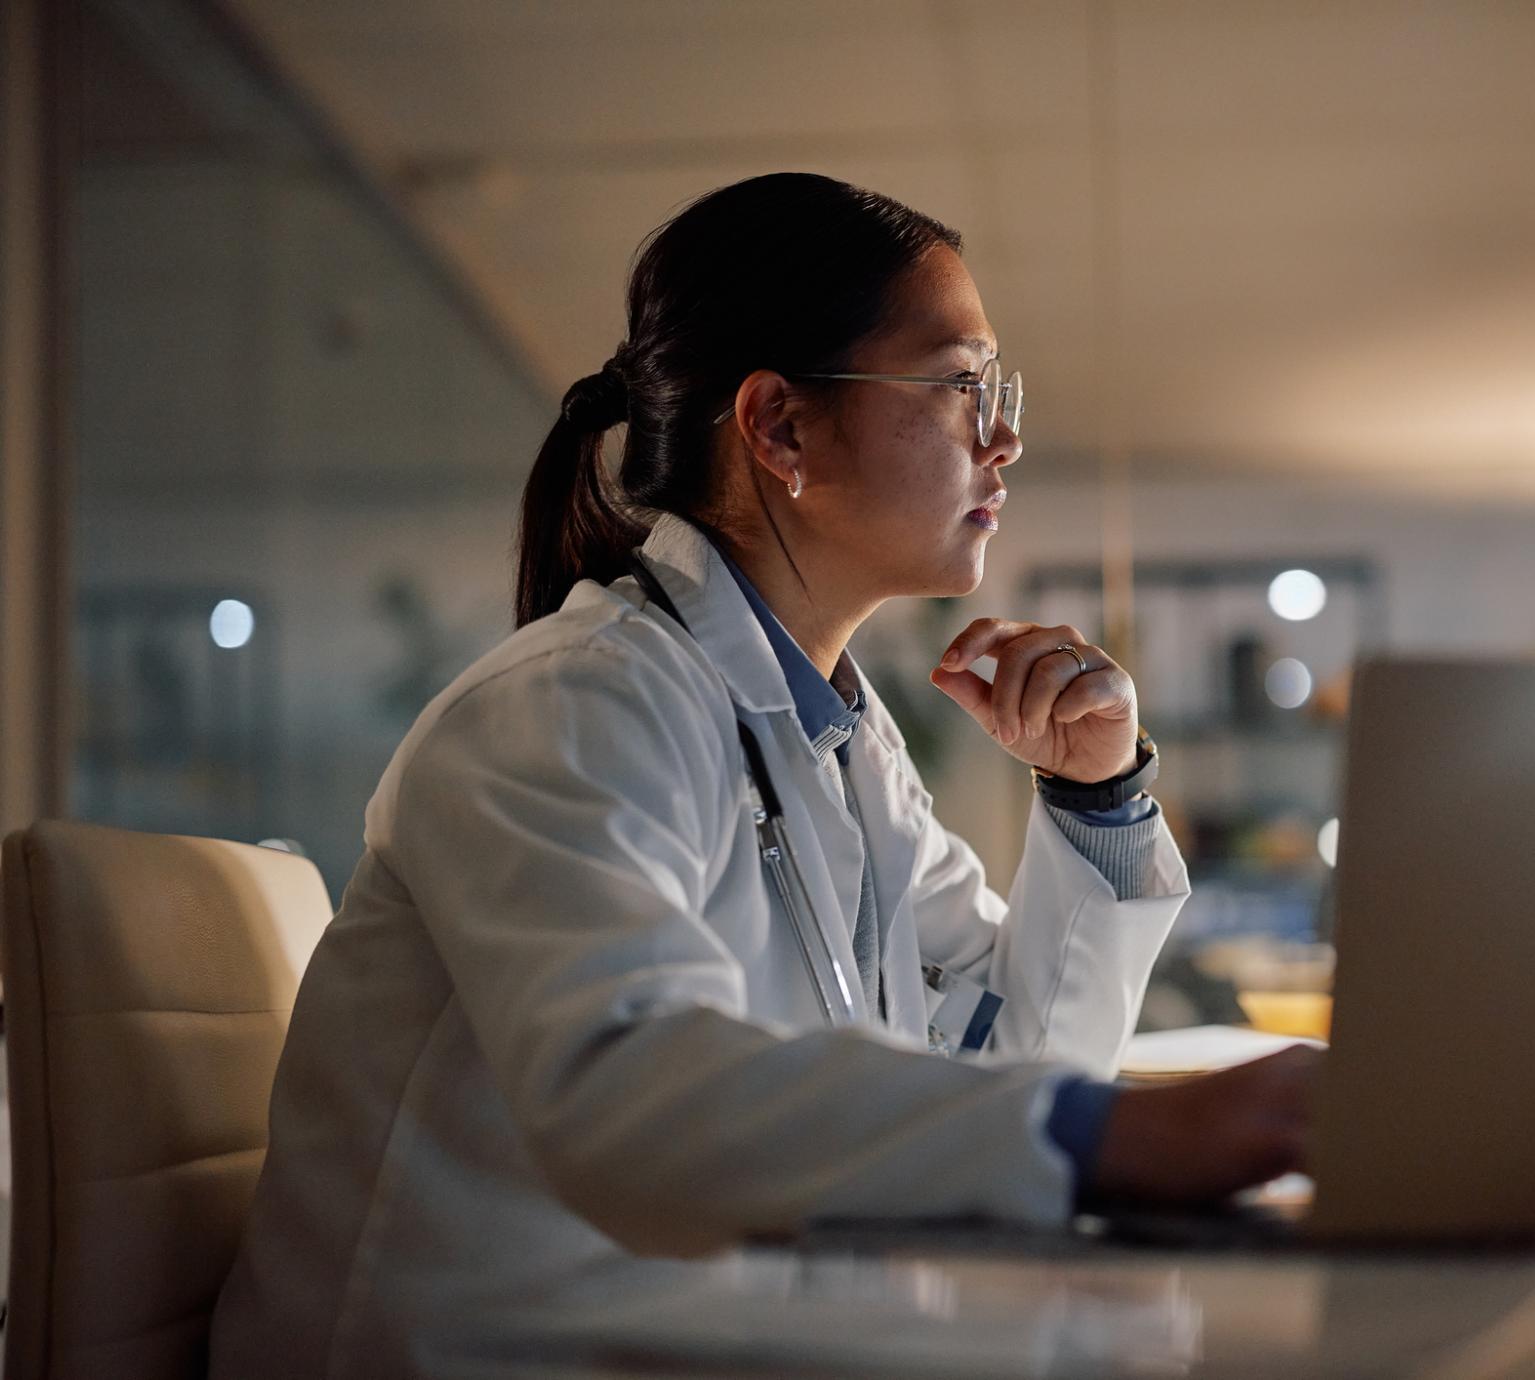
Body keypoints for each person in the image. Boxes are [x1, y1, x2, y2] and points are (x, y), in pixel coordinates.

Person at [210, 172, 1317, 1378]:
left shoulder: (837, 742)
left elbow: (1009, 1068)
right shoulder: (571, 706)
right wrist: (1104, 1135)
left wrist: (1096, 800)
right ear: (780, 427)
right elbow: (626, 1093)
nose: (1001, 439)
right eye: (960, 387)